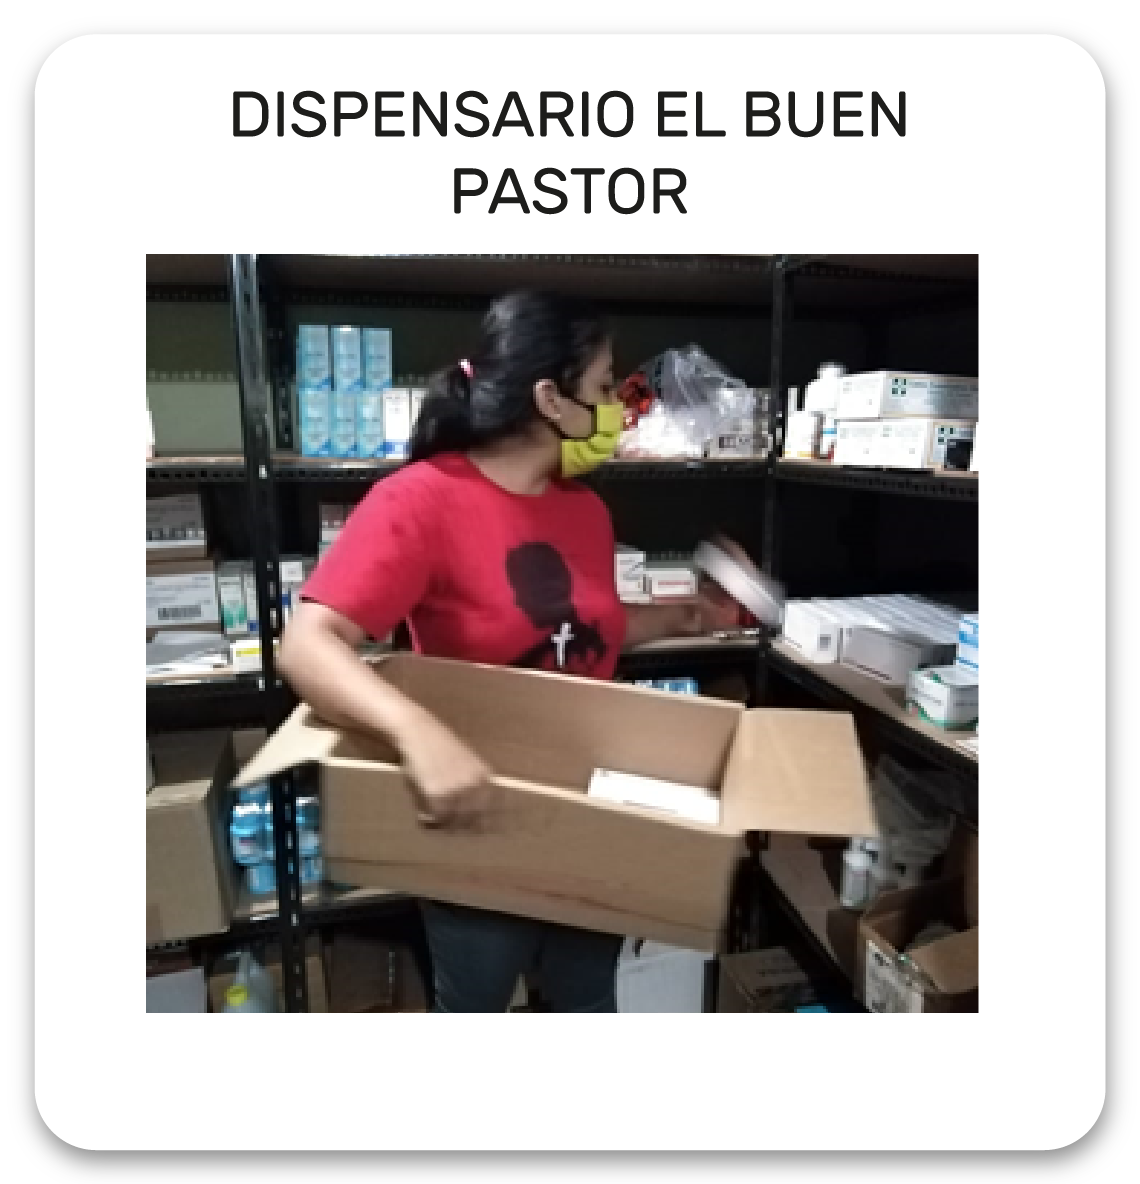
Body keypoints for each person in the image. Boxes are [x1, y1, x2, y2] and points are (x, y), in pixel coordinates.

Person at [278, 290, 736, 1012]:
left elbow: (580, 629)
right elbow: (307, 645)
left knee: (588, 1002)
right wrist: (419, 736)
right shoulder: (420, 501)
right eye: (603, 387)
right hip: (479, 813)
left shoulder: (583, 509)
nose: (615, 408)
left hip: (588, 810)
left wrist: (690, 616)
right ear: (551, 399)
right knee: (477, 1005)